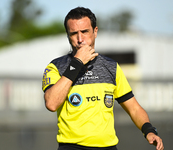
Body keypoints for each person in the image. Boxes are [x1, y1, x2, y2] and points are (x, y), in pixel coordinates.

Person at [42, 7, 164, 150]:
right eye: (74, 34)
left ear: (95, 31)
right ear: (68, 36)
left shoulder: (112, 67)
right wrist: (76, 63)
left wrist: (149, 130)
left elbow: (134, 109)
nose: (80, 39)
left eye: (85, 31)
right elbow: (51, 103)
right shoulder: (56, 67)